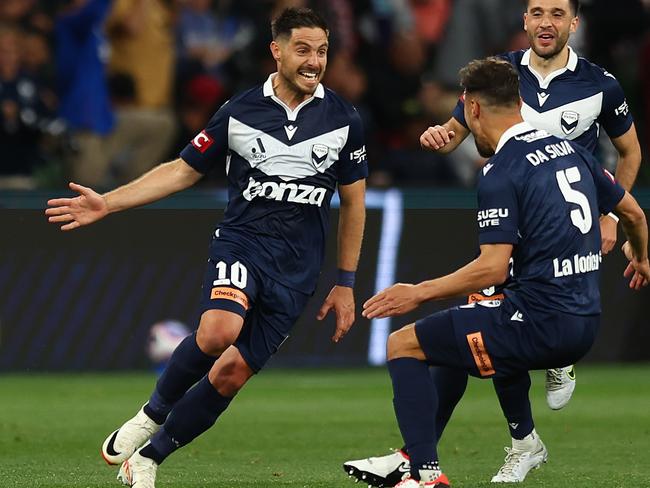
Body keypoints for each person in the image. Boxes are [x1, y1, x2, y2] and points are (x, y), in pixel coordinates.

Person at [46, 7, 367, 488]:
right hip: (242, 245)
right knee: (218, 331)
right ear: (276, 51)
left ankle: (149, 458)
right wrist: (108, 204)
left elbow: (355, 204)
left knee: (230, 376)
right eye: (303, 49)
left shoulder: (344, 118)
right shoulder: (239, 111)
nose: (314, 61)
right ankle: (150, 415)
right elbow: (181, 169)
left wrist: (345, 283)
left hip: (298, 269)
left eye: (321, 51)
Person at [344, 1, 643, 484]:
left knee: (467, 316)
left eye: (557, 13)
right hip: (534, 242)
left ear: (574, 23)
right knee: (476, 317)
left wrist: (608, 217)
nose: (546, 22)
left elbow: (629, 153)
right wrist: (445, 133)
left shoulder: (599, 86)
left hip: (554, 239)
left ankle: (427, 467)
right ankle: (490, 445)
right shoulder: (503, 75)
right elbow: (461, 125)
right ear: (524, 20)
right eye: (537, 12)